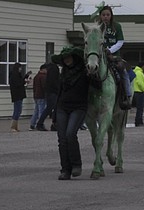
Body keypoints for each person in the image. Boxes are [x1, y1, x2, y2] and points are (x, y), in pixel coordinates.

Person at [53, 45, 98, 180]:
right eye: (64, 58)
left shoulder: (84, 72)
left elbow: (97, 86)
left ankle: (76, 164)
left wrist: (92, 76)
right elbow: (59, 93)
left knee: (70, 134)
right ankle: (65, 169)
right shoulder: (64, 73)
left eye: (68, 57)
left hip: (78, 107)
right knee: (62, 139)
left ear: (74, 57)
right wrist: (54, 112)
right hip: (62, 107)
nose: (66, 60)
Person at [8, 63, 28, 132]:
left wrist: (24, 79)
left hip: (18, 95)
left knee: (18, 110)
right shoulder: (15, 76)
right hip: (17, 95)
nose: (21, 69)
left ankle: (15, 126)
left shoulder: (14, 75)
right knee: (17, 110)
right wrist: (24, 81)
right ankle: (13, 127)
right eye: (20, 68)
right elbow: (18, 84)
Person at [30, 64, 49, 131]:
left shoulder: (36, 76)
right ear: (43, 69)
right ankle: (41, 124)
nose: (47, 71)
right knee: (42, 111)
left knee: (36, 111)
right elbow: (44, 87)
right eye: (46, 69)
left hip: (36, 96)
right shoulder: (43, 77)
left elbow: (34, 87)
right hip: (41, 96)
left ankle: (32, 124)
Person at [131, 61, 144, 127]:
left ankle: (139, 121)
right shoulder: (139, 73)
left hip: (137, 91)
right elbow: (140, 82)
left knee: (140, 108)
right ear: (143, 66)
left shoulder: (136, 72)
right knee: (140, 108)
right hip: (140, 92)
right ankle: (139, 122)